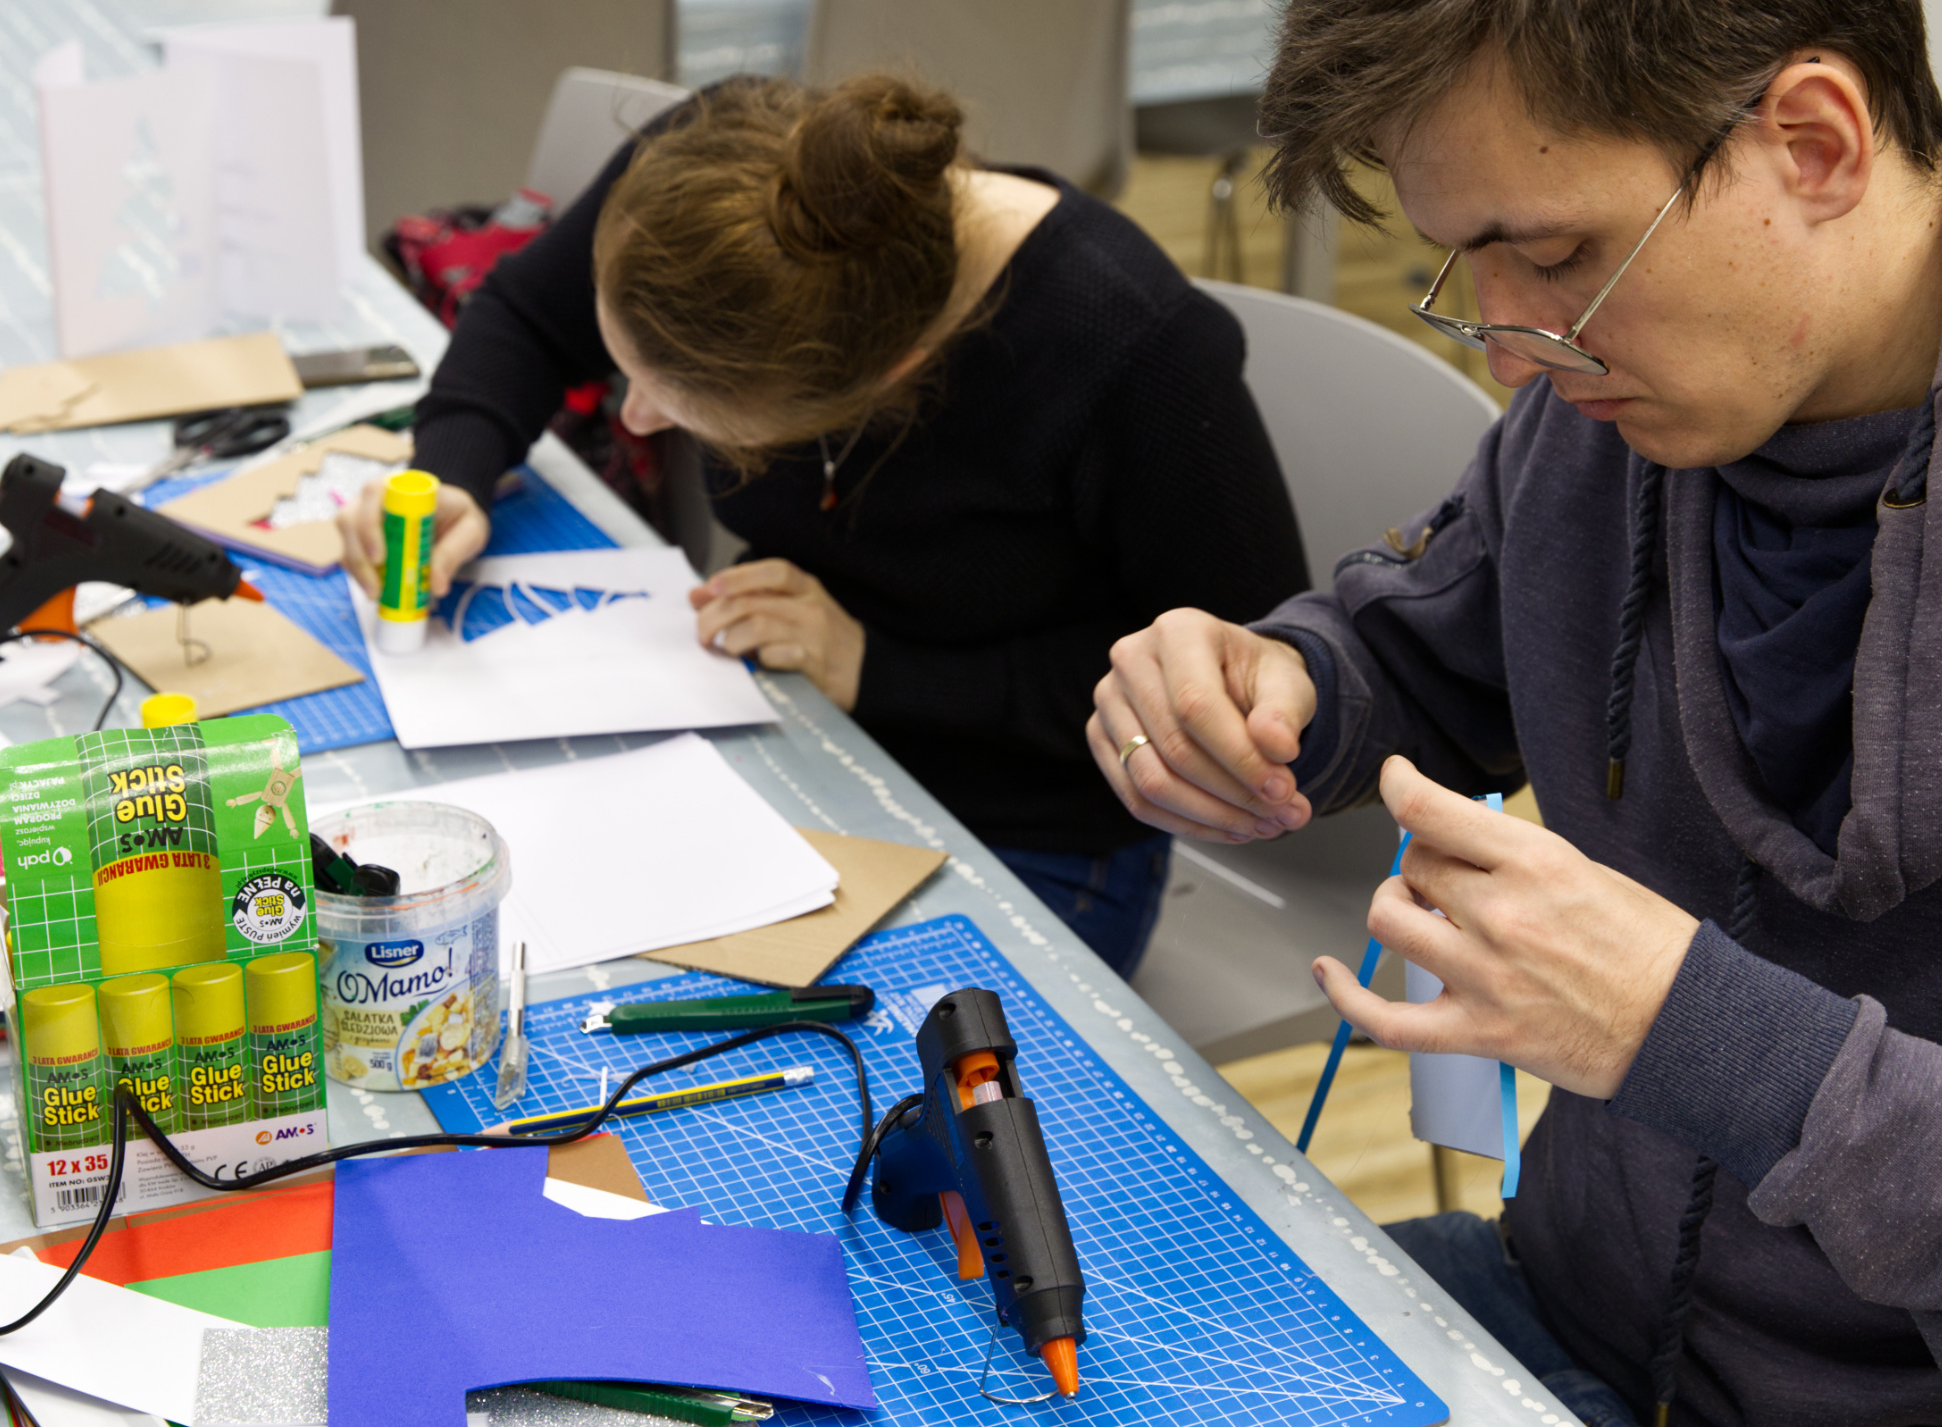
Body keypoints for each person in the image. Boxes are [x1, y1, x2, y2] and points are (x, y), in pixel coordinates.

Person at [1090, 0, 1942, 1421]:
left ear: (1816, 142)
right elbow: (1437, 643)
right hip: (1570, 1304)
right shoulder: (1624, 396)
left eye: (1555, 254)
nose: (1508, 349)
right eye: (1466, 263)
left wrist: (1715, 1043)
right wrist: (1282, 684)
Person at [340, 73, 1308, 975]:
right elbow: (527, 312)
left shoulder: (1132, 352)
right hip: (783, 723)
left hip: (1027, 820)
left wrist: (879, 669)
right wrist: (453, 470)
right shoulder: (711, 181)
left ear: (880, 383)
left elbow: (1230, 686)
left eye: (681, 401)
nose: (635, 415)